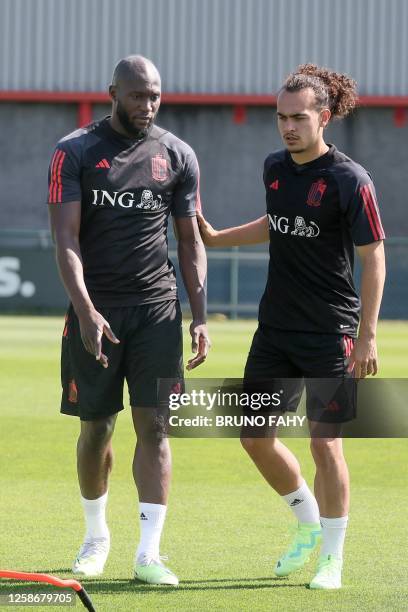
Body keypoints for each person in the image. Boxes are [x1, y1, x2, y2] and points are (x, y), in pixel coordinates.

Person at [197, 64, 385, 590]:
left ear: (323, 117)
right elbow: (273, 222)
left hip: (332, 333)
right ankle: (306, 521)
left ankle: (333, 558)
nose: (287, 126)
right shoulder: (274, 167)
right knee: (253, 436)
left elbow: (374, 258)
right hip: (274, 332)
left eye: (298, 117)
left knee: (326, 446)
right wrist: (216, 238)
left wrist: (367, 336)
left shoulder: (351, 179)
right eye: (280, 117)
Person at [47, 55, 210, 586]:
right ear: (113, 91)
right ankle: (96, 537)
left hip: (157, 312)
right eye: (138, 95)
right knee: (96, 428)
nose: (148, 105)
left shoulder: (177, 154)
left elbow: (189, 242)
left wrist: (200, 316)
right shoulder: (74, 151)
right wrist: (86, 309)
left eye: (156, 96)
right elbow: (66, 240)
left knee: (156, 428)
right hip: (96, 311)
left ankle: (149, 553)